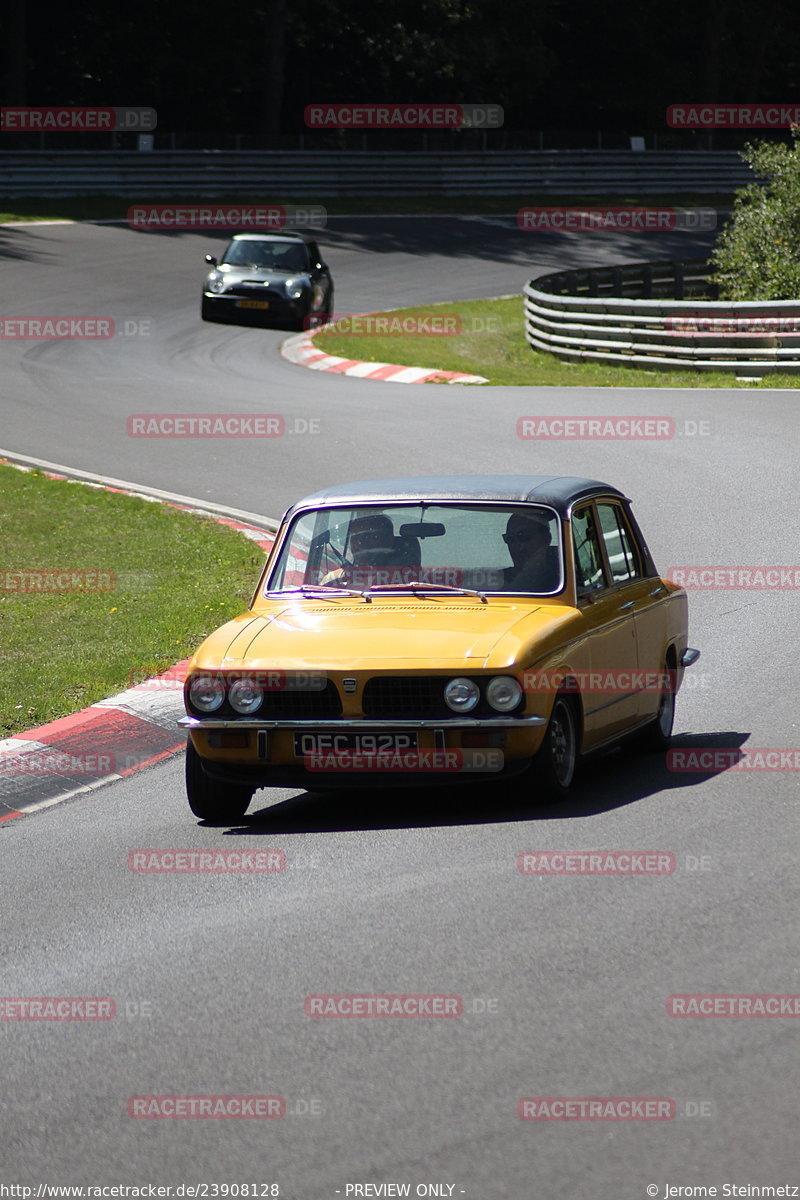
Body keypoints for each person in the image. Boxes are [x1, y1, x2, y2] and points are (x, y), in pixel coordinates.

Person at [502, 511, 560, 592]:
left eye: (523, 535)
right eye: (509, 538)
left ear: (546, 538)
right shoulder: (499, 580)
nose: (517, 544)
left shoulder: (564, 573)